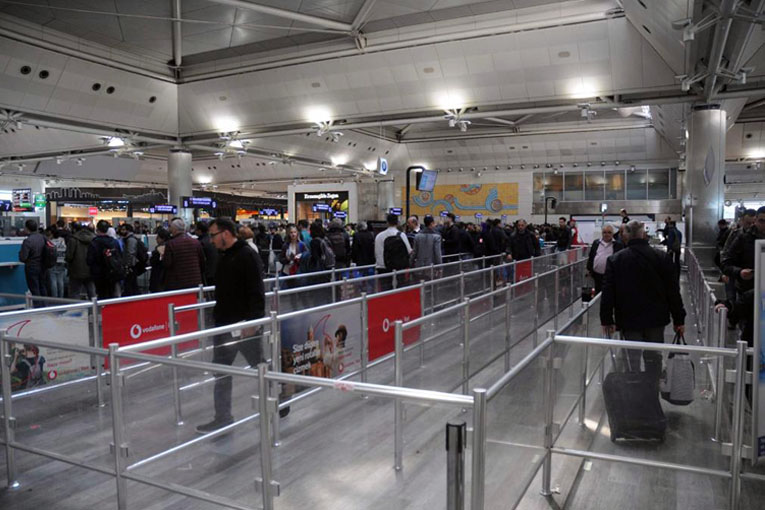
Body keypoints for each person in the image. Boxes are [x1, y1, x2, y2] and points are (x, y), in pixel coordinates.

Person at [196, 217, 272, 434]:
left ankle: (276, 401)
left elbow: (257, 292)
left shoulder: (247, 255)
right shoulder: (225, 256)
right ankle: (222, 417)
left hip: (244, 326)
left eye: (213, 235)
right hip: (224, 325)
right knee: (220, 370)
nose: (210, 240)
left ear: (225, 234)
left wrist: (253, 322)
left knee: (259, 367)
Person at [601, 220, 686, 379]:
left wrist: (607, 319)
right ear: (643, 234)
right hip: (656, 319)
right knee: (654, 359)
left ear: (625, 235)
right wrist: (679, 319)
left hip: (628, 319)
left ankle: (634, 393)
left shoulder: (615, 260)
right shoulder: (661, 257)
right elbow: (673, 291)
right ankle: (651, 392)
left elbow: (608, 292)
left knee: (631, 360)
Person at [722, 206, 765, 347]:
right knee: (749, 336)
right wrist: (739, 272)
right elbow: (726, 262)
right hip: (748, 294)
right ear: (756, 221)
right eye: (762, 221)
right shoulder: (742, 237)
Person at [162, 218, 205, 290]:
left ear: (175, 230)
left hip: (177, 283)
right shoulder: (196, 242)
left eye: (171, 229)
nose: (171, 231)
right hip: (195, 281)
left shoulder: (171, 244)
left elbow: (167, 264)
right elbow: (202, 262)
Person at [86, 220, 123, 299]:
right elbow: (119, 256)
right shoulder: (114, 242)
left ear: (97, 229)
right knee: (112, 293)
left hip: (98, 273)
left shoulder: (94, 243)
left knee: (101, 294)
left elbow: (89, 260)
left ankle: (102, 310)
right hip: (112, 272)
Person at [375, 214, 412, 290]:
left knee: (385, 290)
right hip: (398, 268)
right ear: (397, 222)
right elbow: (409, 251)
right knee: (399, 289)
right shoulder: (401, 235)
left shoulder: (379, 236)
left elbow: (377, 253)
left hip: (382, 267)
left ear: (387, 222)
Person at [586, 224, 623, 294]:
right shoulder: (596, 243)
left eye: (609, 232)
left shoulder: (618, 245)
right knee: (597, 293)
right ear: (602, 233)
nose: (607, 234)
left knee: (609, 294)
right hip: (597, 275)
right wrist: (589, 269)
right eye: (604, 232)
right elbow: (591, 256)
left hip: (610, 276)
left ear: (613, 233)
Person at [19, 219, 48, 301]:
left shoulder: (28, 241)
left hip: (31, 267)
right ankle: (45, 307)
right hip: (43, 266)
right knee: (42, 287)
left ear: (27, 228)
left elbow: (23, 257)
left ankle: (38, 308)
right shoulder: (43, 238)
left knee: (34, 289)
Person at [66, 223, 96, 299]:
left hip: (76, 269)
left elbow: (69, 256)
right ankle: (94, 309)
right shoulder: (94, 239)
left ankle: (75, 309)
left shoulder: (73, 239)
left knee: (74, 292)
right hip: (90, 269)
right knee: (92, 291)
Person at [117, 223, 141, 296]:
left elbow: (130, 253)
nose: (122, 231)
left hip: (131, 267)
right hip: (131, 266)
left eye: (124, 230)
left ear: (128, 230)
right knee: (132, 284)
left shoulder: (130, 240)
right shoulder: (127, 239)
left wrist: (127, 266)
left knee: (130, 284)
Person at [47, 226, 67, 298]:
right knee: (60, 280)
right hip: (61, 261)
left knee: (53, 281)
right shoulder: (62, 240)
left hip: (52, 262)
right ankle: (61, 296)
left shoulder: (50, 242)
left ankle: (55, 297)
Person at [196, 221, 218, 286]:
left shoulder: (200, 243)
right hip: (216, 270)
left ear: (199, 231)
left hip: (207, 272)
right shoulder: (213, 239)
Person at [149, 228, 170, 292]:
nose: (156, 239)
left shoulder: (158, 250)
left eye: (158, 238)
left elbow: (153, 262)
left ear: (163, 239)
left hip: (158, 276)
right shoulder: (170, 247)